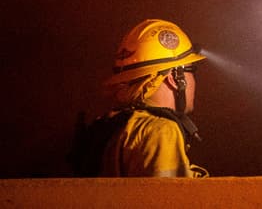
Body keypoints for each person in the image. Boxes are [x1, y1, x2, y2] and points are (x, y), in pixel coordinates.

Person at [73, 19, 208, 177]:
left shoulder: (110, 124)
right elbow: (171, 198)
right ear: (175, 78)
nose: (194, 82)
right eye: (192, 71)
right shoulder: (161, 131)